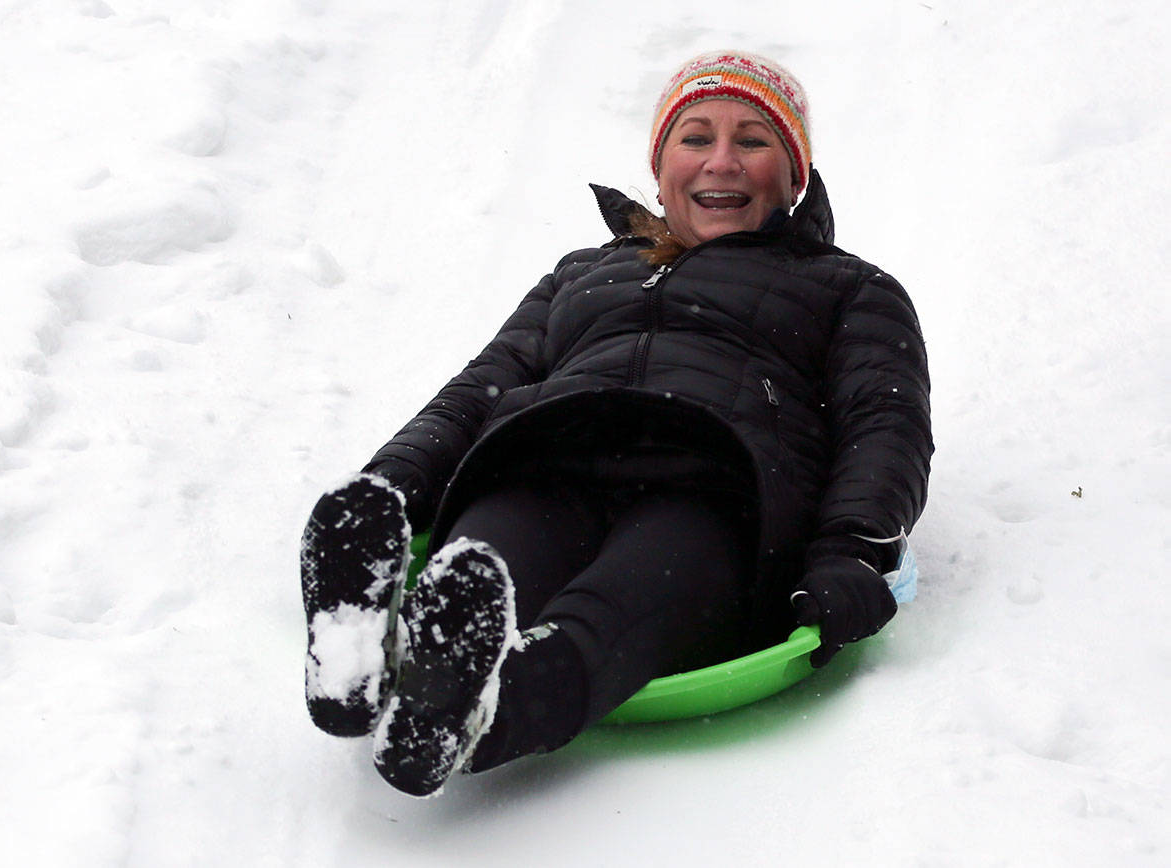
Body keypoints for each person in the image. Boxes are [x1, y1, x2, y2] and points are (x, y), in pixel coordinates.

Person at [300, 50, 933, 798]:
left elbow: (883, 422)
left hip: (713, 490)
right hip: (544, 459)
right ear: (660, 166)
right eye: (695, 138)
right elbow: (482, 386)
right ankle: (365, 653)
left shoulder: (850, 287)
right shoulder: (581, 272)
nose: (720, 162)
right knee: (481, 570)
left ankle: (476, 713)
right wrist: (395, 486)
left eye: (753, 141)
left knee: (618, 606)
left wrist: (853, 550)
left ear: (794, 177)